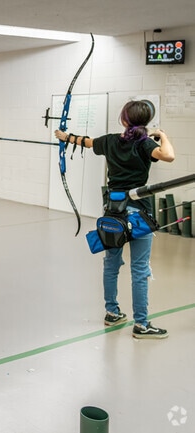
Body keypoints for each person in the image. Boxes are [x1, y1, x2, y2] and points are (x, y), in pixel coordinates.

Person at [54, 100, 175, 339]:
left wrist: (65, 136)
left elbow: (86, 142)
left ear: (123, 119)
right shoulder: (145, 143)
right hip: (139, 214)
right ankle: (141, 325)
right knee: (139, 269)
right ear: (145, 122)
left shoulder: (110, 140)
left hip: (113, 212)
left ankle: (112, 312)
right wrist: (162, 135)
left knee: (111, 264)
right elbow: (168, 155)